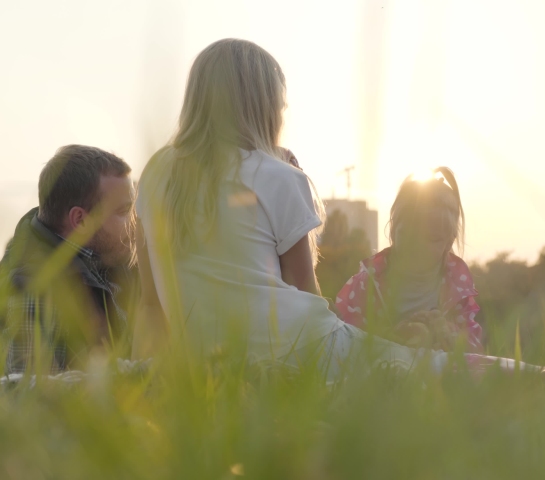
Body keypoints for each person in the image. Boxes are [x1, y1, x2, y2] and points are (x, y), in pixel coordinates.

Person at [133, 39, 450, 380]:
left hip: (212, 360)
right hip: (298, 351)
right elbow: (304, 291)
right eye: (280, 106)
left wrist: (148, 381)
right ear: (263, 105)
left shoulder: (156, 173)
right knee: (453, 370)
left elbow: (151, 304)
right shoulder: (278, 176)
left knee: (414, 360)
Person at [0, 145, 138, 375]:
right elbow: (28, 393)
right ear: (80, 220)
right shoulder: (33, 286)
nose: (135, 221)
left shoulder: (110, 259)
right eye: (123, 211)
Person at [335, 167, 482, 353]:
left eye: (432, 239)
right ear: (393, 230)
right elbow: (346, 339)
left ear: (448, 241)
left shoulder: (455, 288)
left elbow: (473, 350)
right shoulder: (369, 284)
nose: (418, 245)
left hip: (436, 376)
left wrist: (447, 332)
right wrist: (391, 336)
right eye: (409, 233)